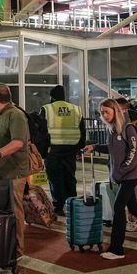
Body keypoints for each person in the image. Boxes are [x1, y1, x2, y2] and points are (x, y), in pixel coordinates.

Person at [83, 98, 137, 259]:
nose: (104, 115)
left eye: (107, 111)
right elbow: (113, 150)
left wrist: (121, 171)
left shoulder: (127, 128)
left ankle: (116, 249)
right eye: (102, 112)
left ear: (116, 111)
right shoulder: (112, 130)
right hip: (121, 176)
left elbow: (134, 153)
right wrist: (95, 147)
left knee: (118, 208)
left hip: (130, 176)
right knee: (133, 208)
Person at [0, 85, 30, 259]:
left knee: (14, 210)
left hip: (13, 173)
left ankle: (17, 251)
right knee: (0, 210)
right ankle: (1, 245)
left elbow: (18, 143)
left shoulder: (15, 115)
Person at [39, 85, 85, 216]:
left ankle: (59, 206)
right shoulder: (76, 109)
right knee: (70, 177)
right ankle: (72, 203)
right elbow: (82, 130)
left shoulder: (47, 109)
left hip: (52, 149)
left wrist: (42, 151)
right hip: (71, 148)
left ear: (52, 96)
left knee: (55, 178)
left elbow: (41, 132)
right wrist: (80, 148)